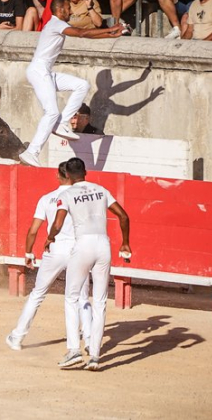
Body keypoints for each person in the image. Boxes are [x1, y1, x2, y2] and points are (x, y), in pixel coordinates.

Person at [18, 0, 124, 168]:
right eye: (68, 8)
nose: (71, 11)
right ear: (60, 10)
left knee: (82, 85)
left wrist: (110, 34)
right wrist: (109, 29)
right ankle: (32, 151)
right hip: (39, 71)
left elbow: (85, 34)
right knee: (51, 112)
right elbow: (83, 33)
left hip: (45, 71)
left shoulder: (56, 24)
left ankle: (61, 123)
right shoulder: (56, 23)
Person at [46, 157, 130, 370]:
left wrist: (50, 238)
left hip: (83, 245)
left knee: (72, 297)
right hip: (103, 245)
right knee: (100, 301)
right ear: (85, 172)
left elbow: (57, 223)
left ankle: (74, 350)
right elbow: (124, 216)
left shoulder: (66, 194)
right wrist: (126, 243)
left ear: (67, 175)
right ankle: (94, 355)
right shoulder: (101, 190)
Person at [5, 162, 92, 353]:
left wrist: (28, 253)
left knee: (37, 294)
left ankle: (17, 337)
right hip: (78, 250)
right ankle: (89, 341)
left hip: (55, 250)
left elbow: (33, 230)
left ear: (58, 176)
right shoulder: (84, 198)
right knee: (82, 297)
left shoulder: (46, 199)